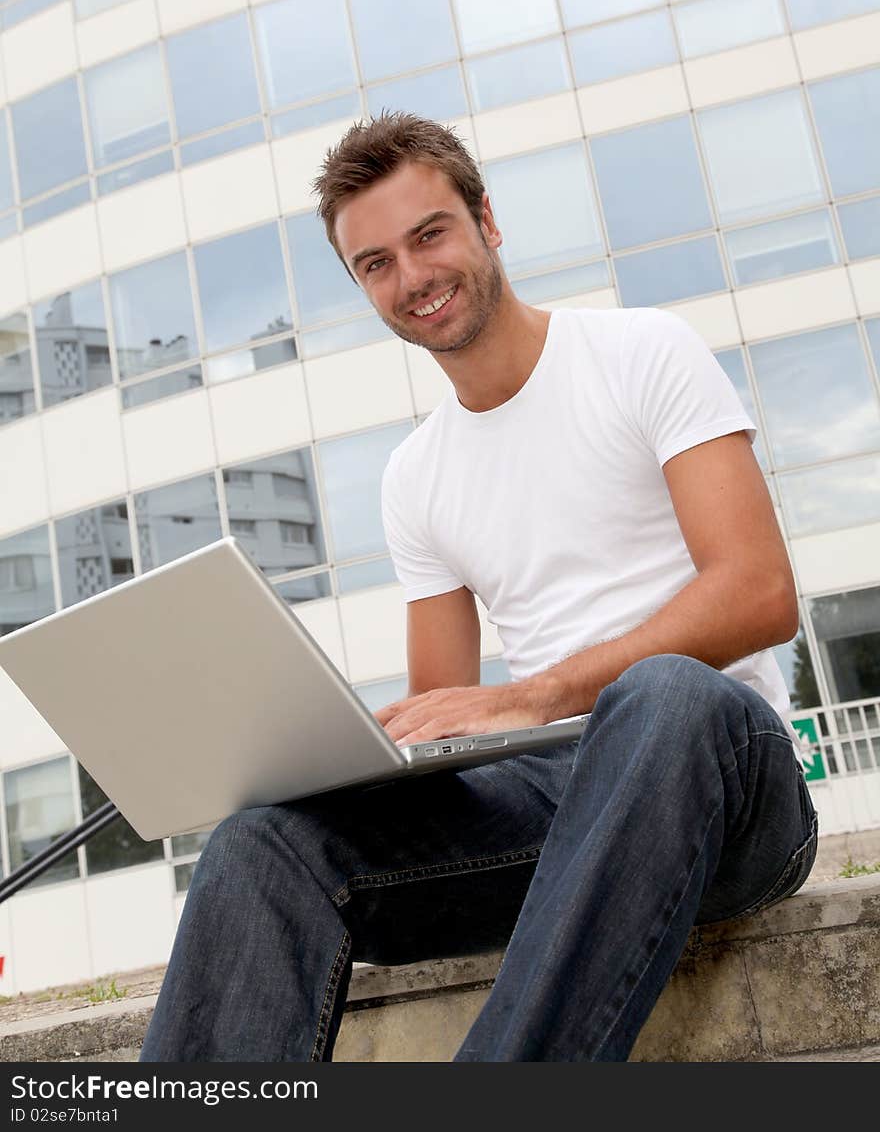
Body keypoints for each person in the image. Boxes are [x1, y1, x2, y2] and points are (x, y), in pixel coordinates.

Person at [140, 112, 817, 1063]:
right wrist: (342, 751)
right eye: (375, 263)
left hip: (725, 779)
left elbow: (758, 593)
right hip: (557, 809)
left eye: (429, 236)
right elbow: (445, 726)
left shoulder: (642, 354)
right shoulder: (417, 477)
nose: (412, 277)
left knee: (662, 695)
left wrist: (532, 696)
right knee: (262, 843)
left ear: (487, 222)